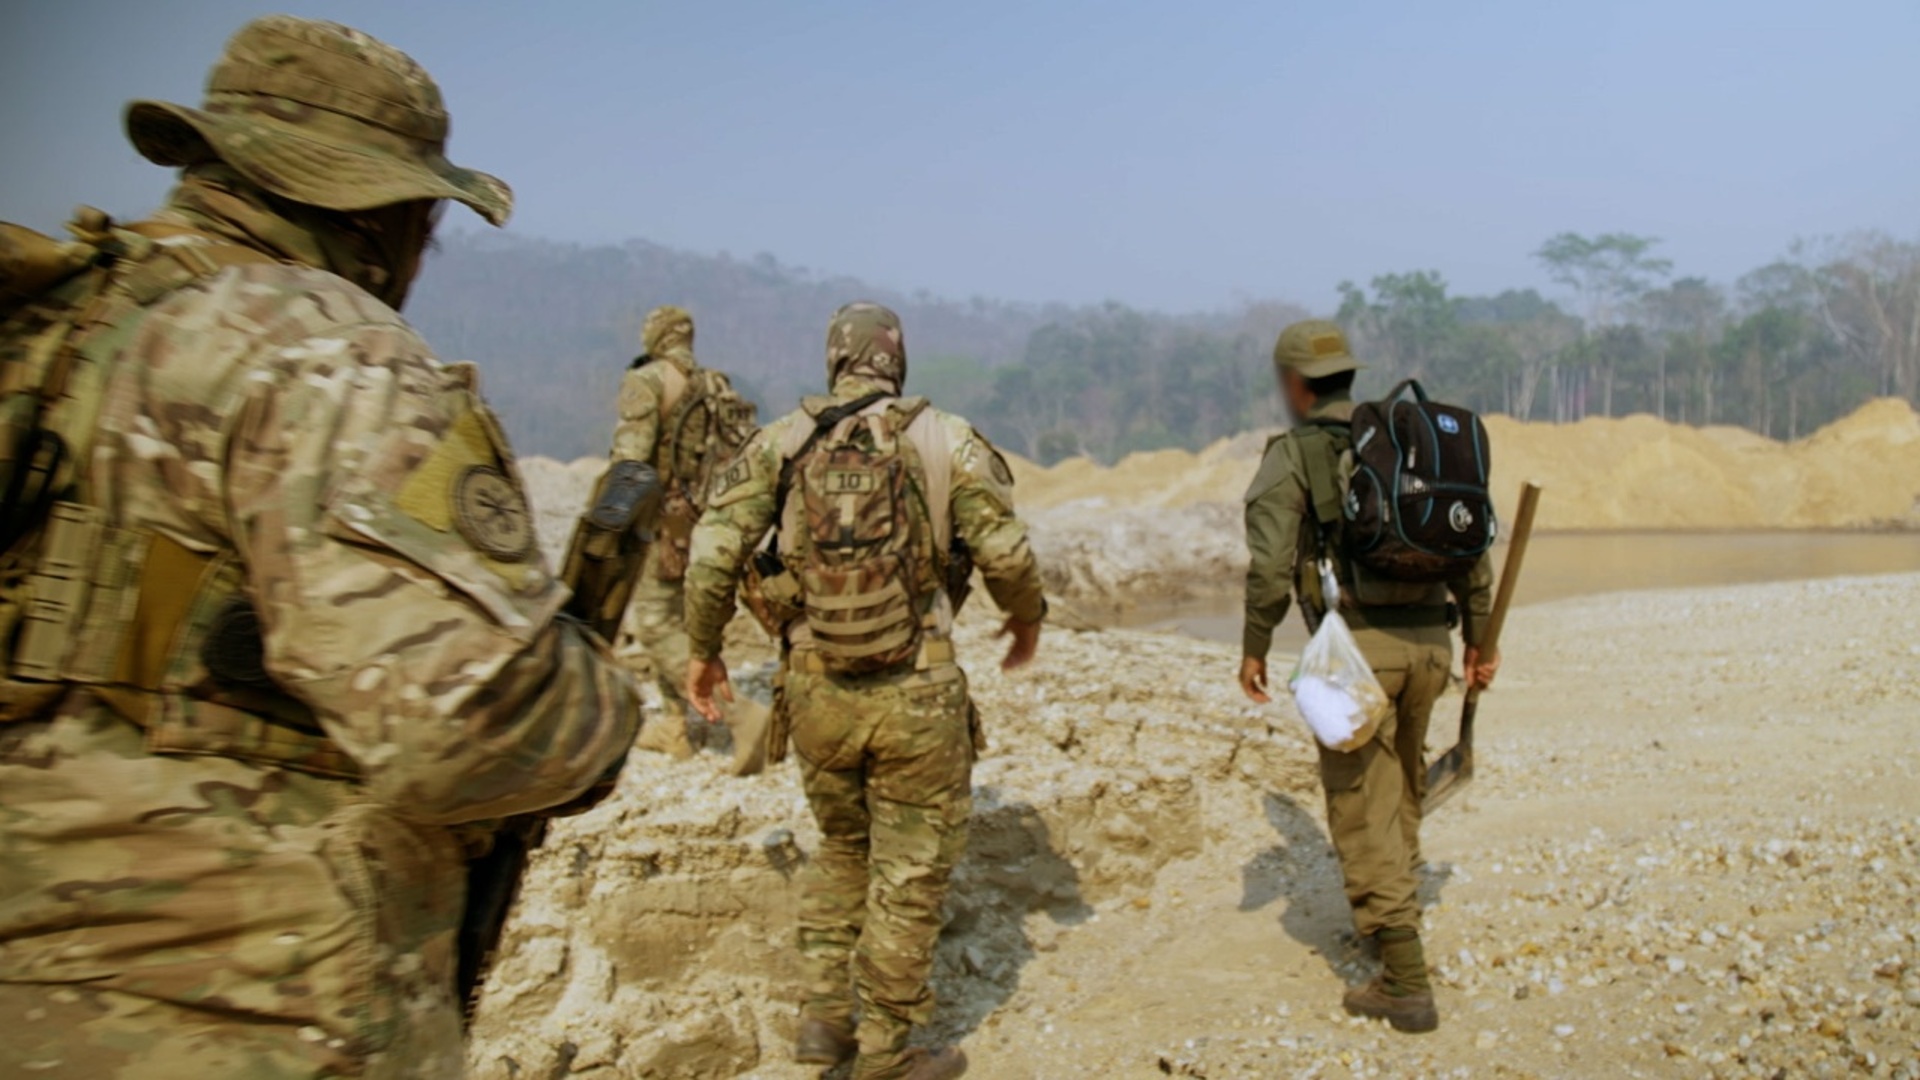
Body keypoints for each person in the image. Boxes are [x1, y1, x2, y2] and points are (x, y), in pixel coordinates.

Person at [0, 17, 640, 1079]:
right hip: (230, 998)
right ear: (390, 213)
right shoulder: (327, 354)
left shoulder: (51, 323)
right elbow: (467, 722)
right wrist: (598, 702)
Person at [682, 303, 1046, 1080]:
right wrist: (1026, 621)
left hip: (814, 692)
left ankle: (823, 1021)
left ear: (834, 361)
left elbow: (712, 551)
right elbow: (1006, 553)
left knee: (844, 848)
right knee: (908, 873)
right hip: (918, 689)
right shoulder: (948, 436)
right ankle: (886, 1053)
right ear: (897, 359)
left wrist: (703, 652)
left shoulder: (782, 441)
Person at [1238, 320, 1498, 1035]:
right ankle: (1387, 920)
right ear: (1348, 377)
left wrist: (1255, 645)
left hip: (1354, 655)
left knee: (1360, 805)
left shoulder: (1293, 455)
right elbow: (1473, 551)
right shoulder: (1411, 447)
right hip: (1431, 652)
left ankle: (1405, 977)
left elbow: (1267, 565)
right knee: (1404, 785)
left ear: (1294, 385)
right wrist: (1480, 640)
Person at [608, 305, 757, 760]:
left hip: (661, 525)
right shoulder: (716, 384)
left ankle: (744, 718)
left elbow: (629, 464)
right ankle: (677, 726)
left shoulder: (648, 381)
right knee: (680, 621)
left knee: (654, 624)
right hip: (709, 524)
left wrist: (611, 525)